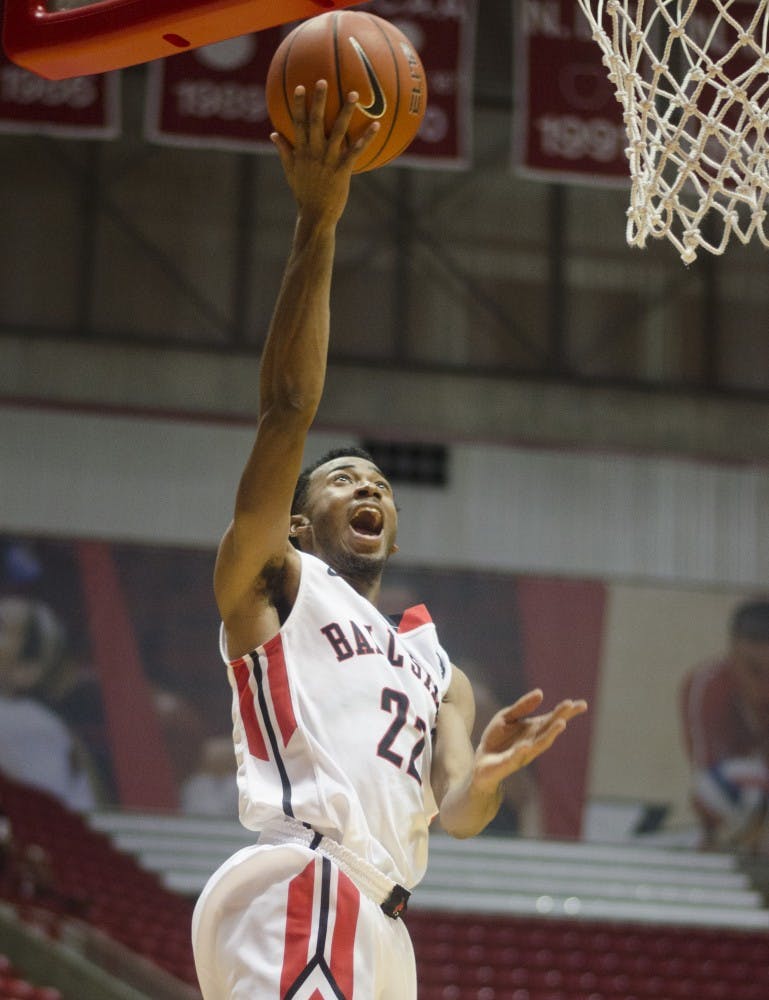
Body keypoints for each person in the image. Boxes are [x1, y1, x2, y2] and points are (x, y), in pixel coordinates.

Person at [191, 81, 587, 1000]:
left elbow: (457, 813)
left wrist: (486, 775)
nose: (367, 484)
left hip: (385, 923)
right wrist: (318, 223)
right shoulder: (274, 583)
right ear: (295, 522)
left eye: (379, 483)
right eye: (341, 479)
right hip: (307, 878)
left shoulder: (438, 666)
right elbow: (287, 409)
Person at [681, 598, 769, 853]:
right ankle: (721, 838)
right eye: (754, 671)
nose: (763, 687)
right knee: (717, 788)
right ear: (733, 654)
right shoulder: (707, 687)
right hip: (733, 792)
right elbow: (707, 775)